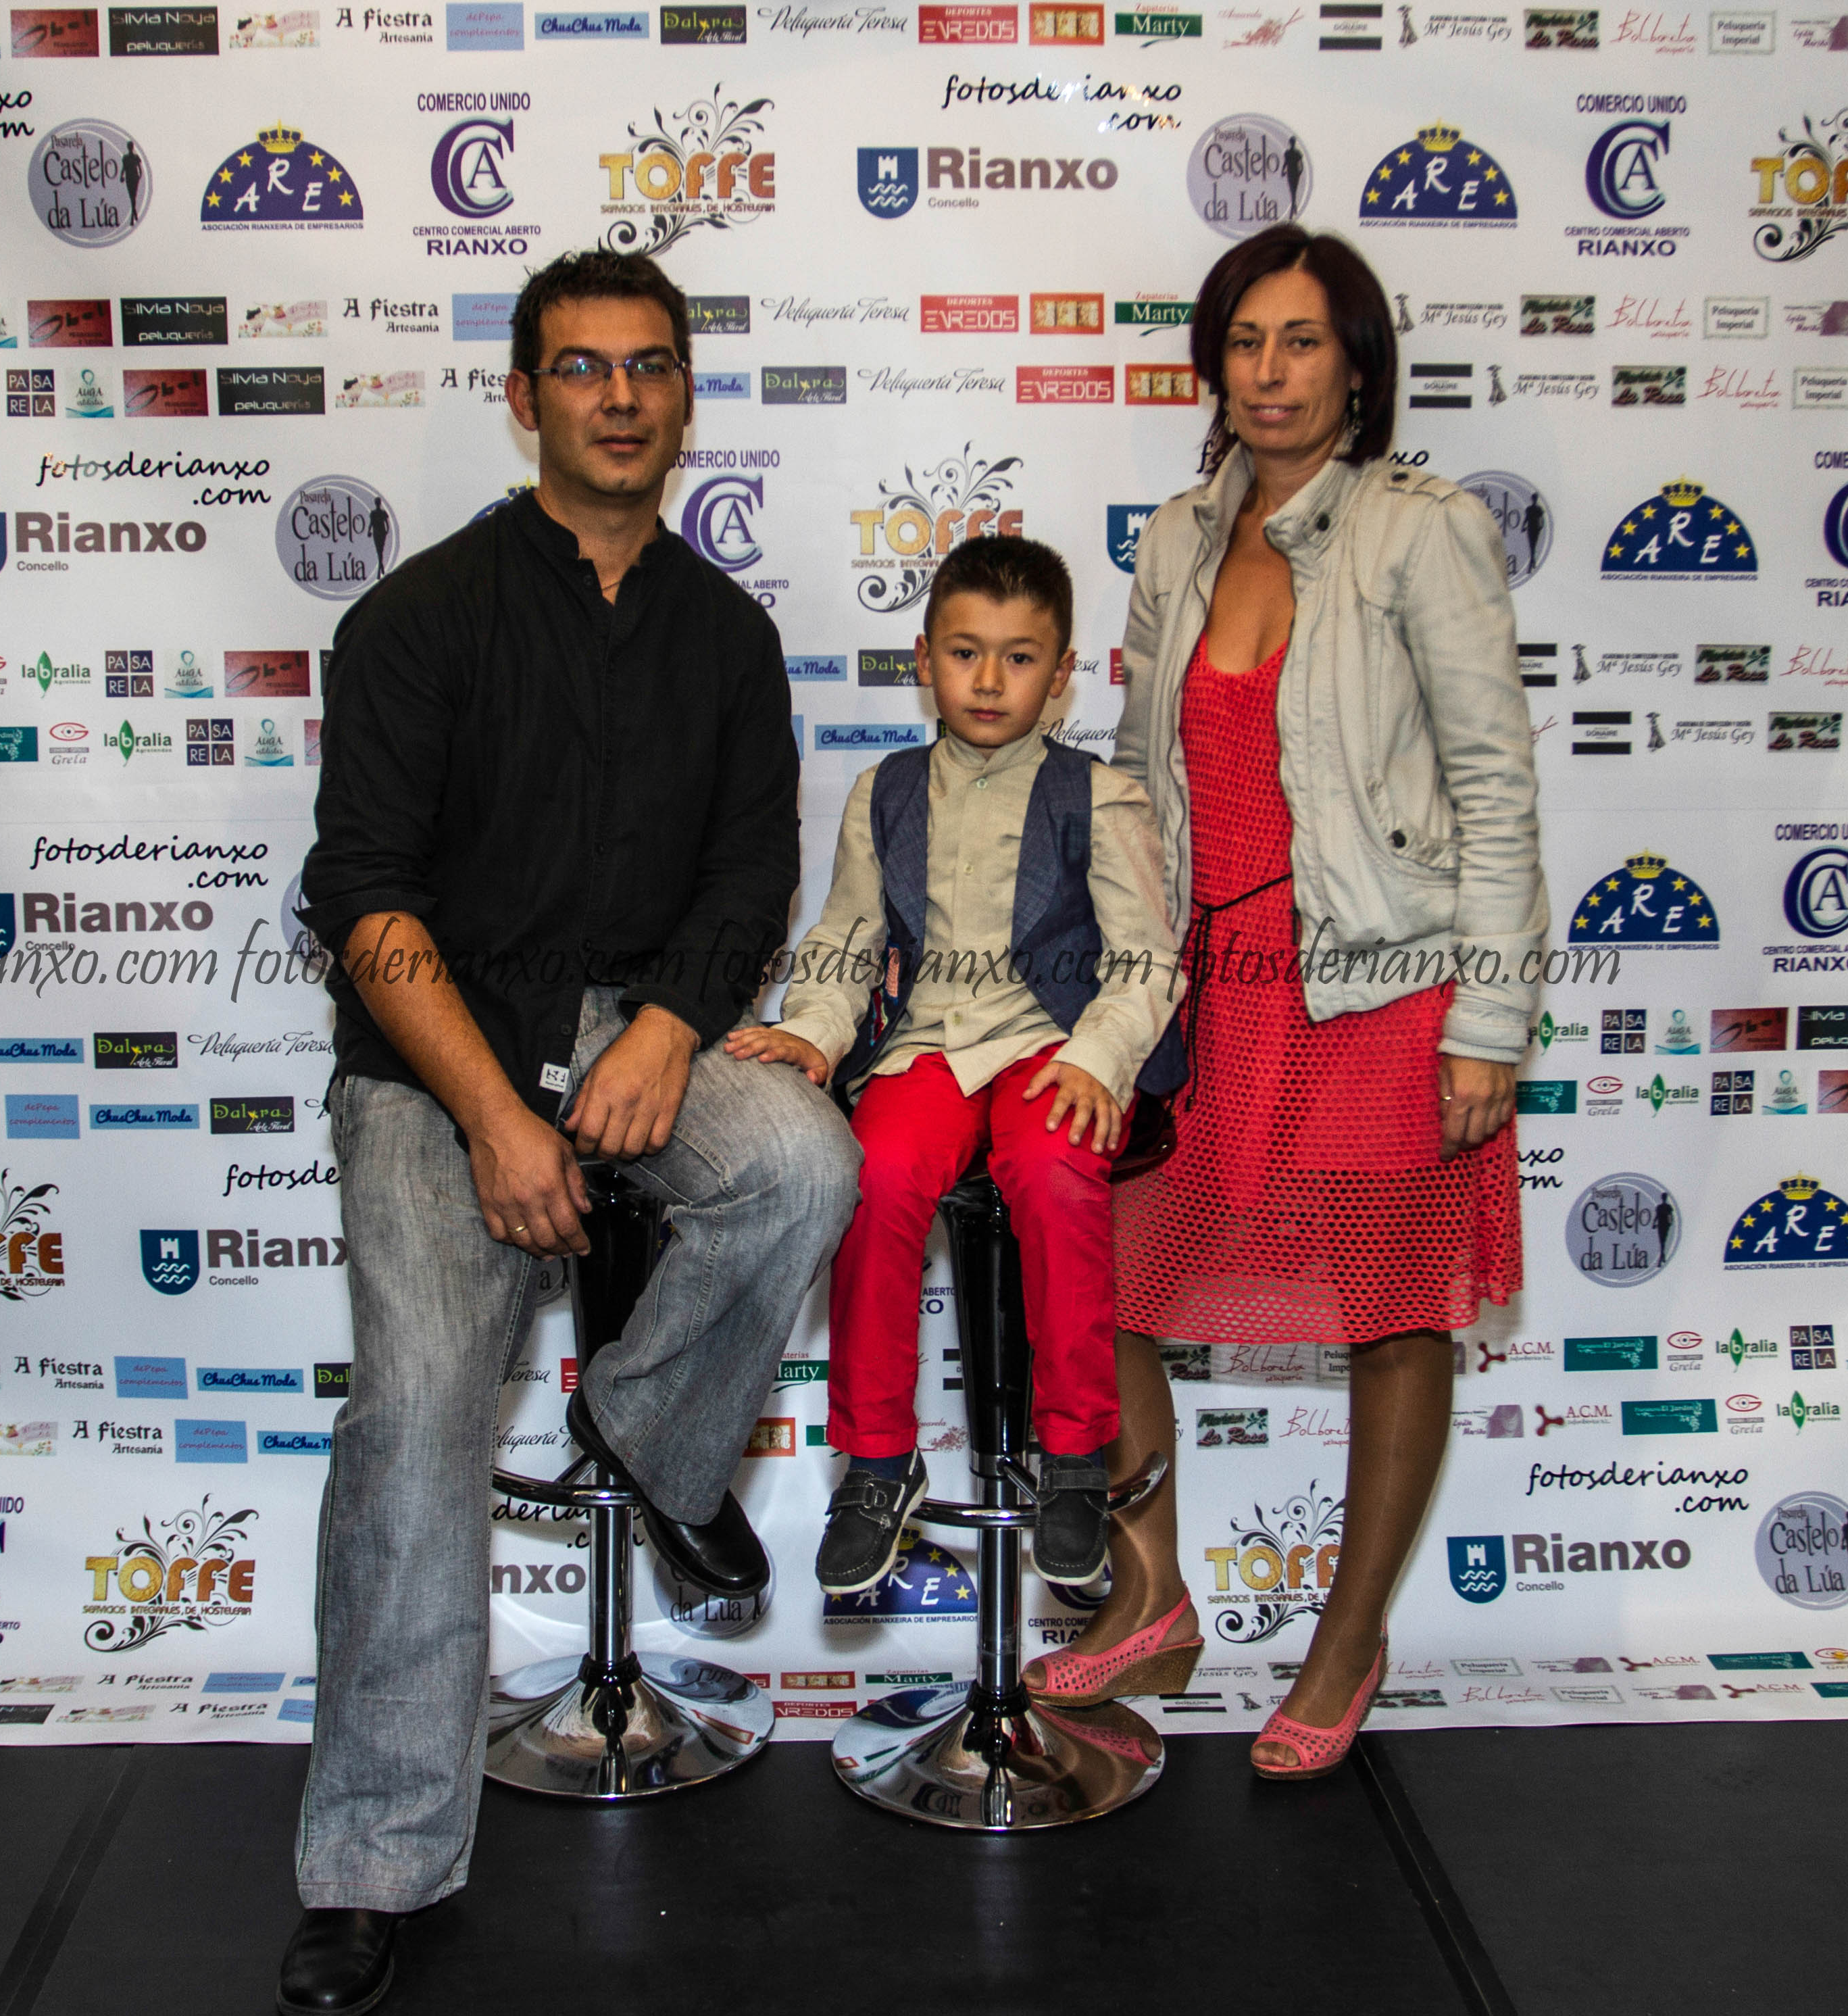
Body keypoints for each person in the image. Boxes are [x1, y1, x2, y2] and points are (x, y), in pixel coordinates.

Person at [280, 248, 861, 2016]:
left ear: (684, 396)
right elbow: (363, 897)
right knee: (414, 1419)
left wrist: (673, 1028)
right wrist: (491, 1114)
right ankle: (372, 1862)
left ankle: (647, 1438)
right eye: (583, 367)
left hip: (631, 1025)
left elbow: (749, 874)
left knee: (801, 1160)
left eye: (649, 366)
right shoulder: (421, 618)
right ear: (524, 395)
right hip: (438, 1051)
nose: (619, 396)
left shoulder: (725, 636)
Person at [1022, 223, 1546, 1781]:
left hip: (1380, 983)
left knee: (1391, 1312)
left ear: (1357, 365)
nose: (1269, 371)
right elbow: (1138, 785)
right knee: (1107, 1272)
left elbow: (1494, 788)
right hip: (1207, 981)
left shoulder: (1421, 531)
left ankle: (1345, 1638)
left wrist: (1490, 1020)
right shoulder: (1177, 540)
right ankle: (1153, 1599)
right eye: (1245, 341)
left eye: (1301, 340)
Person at [728, 537, 1184, 1598]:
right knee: (872, 1178)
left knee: (1055, 1172)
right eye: (966, 653)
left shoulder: (1099, 796)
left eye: (1019, 658)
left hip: (1051, 1045)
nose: (989, 680)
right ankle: (877, 1462)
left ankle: (1072, 1458)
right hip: (927, 1046)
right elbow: (846, 939)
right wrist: (815, 1033)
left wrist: (1100, 1058)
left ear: (1060, 674)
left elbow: (1145, 959)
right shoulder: (882, 792)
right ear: (924, 658)